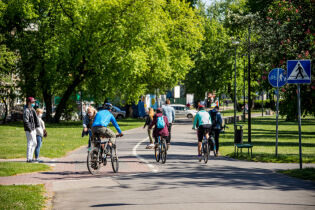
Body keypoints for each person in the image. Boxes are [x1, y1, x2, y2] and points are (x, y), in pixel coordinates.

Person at [23, 97, 39, 162]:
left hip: (33, 129)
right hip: (29, 129)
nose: (34, 103)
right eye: (33, 102)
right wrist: (30, 130)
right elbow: (25, 121)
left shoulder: (32, 110)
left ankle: (31, 157)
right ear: (29, 102)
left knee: (35, 143)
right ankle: (28, 158)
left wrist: (37, 127)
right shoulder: (26, 110)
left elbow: (36, 119)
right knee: (30, 143)